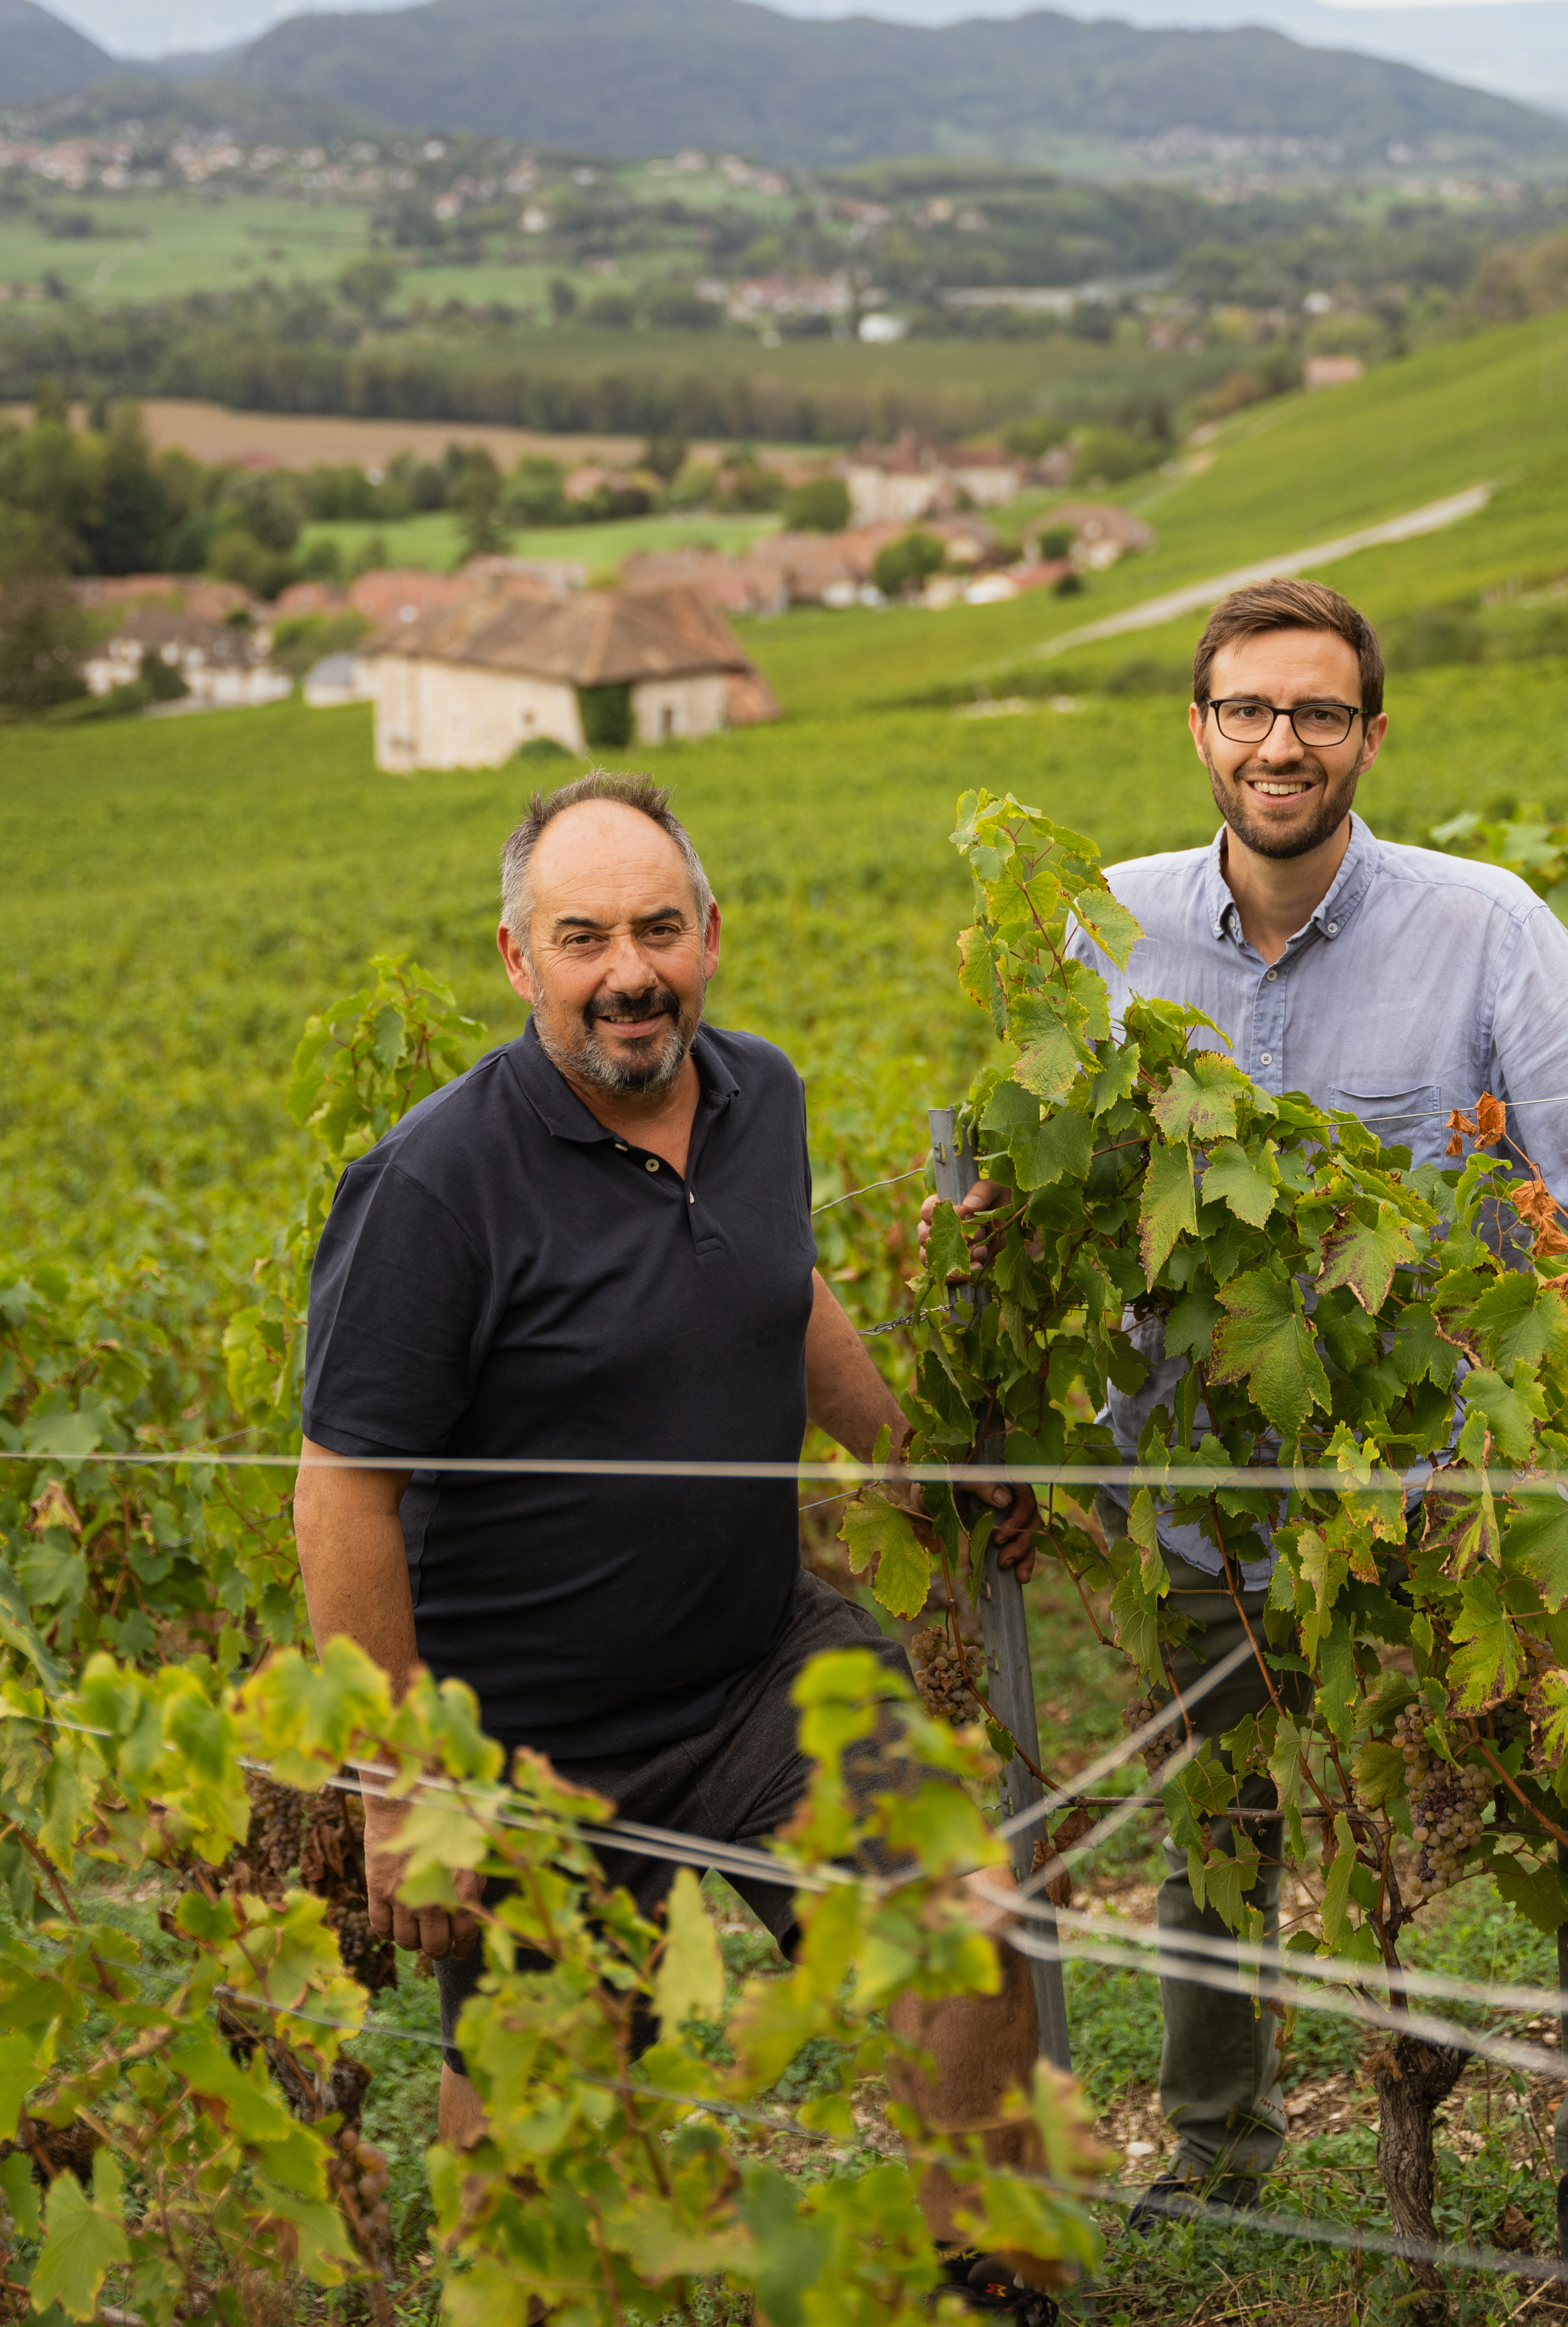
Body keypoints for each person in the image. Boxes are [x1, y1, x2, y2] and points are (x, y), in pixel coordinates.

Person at [926, 576, 1568, 2316]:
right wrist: (993, 1412)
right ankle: (1217, 2144)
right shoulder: (1105, 933)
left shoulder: (1489, 925)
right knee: (1220, 1825)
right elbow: (1033, 1217)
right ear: (1198, 730)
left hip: (1449, 1511)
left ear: (1370, 732)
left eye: (1315, 712)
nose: (1277, 742)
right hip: (1205, 1506)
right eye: (1245, 710)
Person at [294, 769, 1053, 2321]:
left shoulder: (761, 1092)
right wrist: (401, 1790)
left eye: (656, 927)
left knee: (955, 1907)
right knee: (534, 2153)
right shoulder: (434, 1182)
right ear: (520, 961)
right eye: (583, 937)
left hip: (756, 1665)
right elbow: (340, 1493)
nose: (627, 970)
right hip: (525, 1741)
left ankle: (990, 2280)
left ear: (709, 933)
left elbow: (788, 1291)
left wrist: (909, 1460)